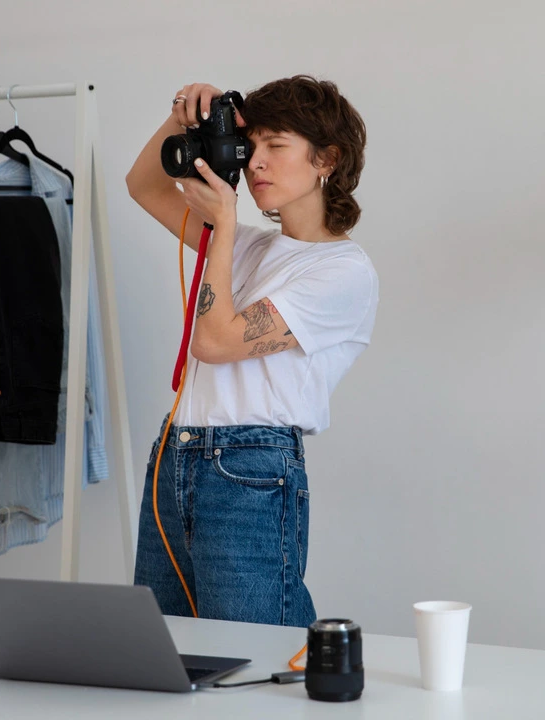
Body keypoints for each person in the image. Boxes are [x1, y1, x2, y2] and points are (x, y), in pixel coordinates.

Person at [125, 75, 378, 627]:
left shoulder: (341, 272)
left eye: (276, 146)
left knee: (253, 659)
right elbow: (143, 186)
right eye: (252, 144)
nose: (254, 162)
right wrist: (184, 116)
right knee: (166, 649)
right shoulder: (247, 244)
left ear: (326, 161)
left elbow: (214, 343)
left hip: (249, 468)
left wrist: (223, 226)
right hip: (175, 454)